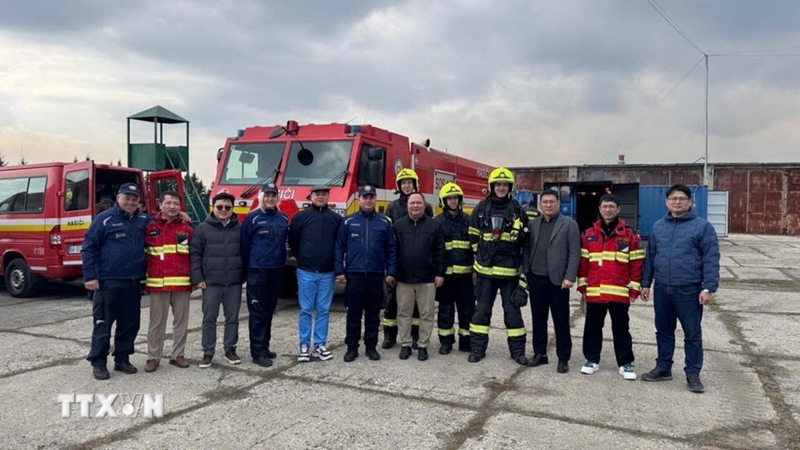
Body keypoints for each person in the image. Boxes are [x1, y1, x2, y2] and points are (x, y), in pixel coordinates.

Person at [641, 184, 720, 393]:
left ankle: (693, 373)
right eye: (673, 199)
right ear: (667, 202)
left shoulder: (702, 227)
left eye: (682, 198)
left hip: (689, 289)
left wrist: (708, 288)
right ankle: (663, 367)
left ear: (690, 202)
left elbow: (711, 258)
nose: (677, 202)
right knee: (663, 331)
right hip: (662, 287)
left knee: (692, 333)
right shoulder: (658, 226)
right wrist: (646, 283)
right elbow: (650, 257)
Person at [83, 182, 153, 380]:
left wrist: (181, 214)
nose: (130, 202)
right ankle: (99, 362)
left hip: (133, 282)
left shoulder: (143, 220)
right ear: (118, 198)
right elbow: (89, 247)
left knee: (129, 324)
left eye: (134, 199)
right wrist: (90, 276)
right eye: (126, 198)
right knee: (103, 324)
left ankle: (122, 358)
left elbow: (164, 220)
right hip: (108, 282)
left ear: (139, 202)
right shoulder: (104, 219)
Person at [576, 194, 644, 380]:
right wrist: (582, 285)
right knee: (592, 326)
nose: (608, 210)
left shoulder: (629, 234)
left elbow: (637, 263)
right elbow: (583, 263)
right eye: (604, 206)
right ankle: (591, 360)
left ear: (618, 209)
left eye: (611, 206)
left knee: (621, 327)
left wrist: (635, 288)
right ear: (599, 209)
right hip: (595, 290)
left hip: (619, 290)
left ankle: (625, 363)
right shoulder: (588, 234)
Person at [467, 168, 528, 365]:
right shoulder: (481, 208)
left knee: (513, 314)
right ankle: (477, 349)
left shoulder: (518, 210)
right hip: (485, 273)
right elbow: (472, 236)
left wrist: (522, 277)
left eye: (504, 185)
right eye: (498, 185)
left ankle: (518, 352)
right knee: (481, 313)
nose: (501, 188)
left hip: (509, 274)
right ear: (491, 187)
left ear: (510, 187)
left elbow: (526, 243)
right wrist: (478, 258)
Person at [335, 185, 397, 362]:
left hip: (376, 276)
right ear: (359, 199)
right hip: (354, 276)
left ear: (375, 199)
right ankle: (352, 348)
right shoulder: (348, 222)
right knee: (353, 314)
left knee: (373, 315)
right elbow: (339, 247)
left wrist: (391, 271)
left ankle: (371, 347)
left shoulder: (384, 222)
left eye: (371, 197)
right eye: (365, 197)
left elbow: (391, 249)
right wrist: (339, 270)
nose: (368, 200)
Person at [523, 189, 581, 373]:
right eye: (545, 202)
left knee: (560, 321)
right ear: (540, 205)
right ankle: (540, 354)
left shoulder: (569, 225)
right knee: (538, 319)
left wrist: (570, 276)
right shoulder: (533, 224)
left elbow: (574, 253)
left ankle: (563, 358)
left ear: (558, 204)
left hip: (558, 282)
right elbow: (527, 249)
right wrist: (526, 271)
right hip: (536, 278)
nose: (548, 205)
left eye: (552, 202)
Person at [191, 192, 245, 369]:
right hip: (211, 283)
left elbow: (247, 253)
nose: (223, 210)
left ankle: (230, 349)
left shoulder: (241, 228)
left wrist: (243, 276)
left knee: (233, 318)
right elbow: (195, 255)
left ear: (232, 208)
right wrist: (198, 278)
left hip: (234, 282)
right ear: (213, 207)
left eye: (227, 207)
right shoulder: (202, 229)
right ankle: (208, 352)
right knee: (209, 319)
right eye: (219, 207)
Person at [288, 185, 342, 362]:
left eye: (324, 194)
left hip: (327, 272)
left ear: (328, 197)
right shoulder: (300, 218)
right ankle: (304, 345)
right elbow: (294, 241)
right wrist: (303, 258)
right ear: (311, 196)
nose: (320, 197)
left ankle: (319, 345)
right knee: (306, 310)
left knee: (324, 310)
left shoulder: (335, 219)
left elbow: (339, 245)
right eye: (317, 194)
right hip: (306, 271)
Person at [382, 168, 433, 350]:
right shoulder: (392, 207)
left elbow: (429, 234)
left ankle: (415, 337)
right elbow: (388, 238)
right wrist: (390, 267)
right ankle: (390, 336)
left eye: (409, 183)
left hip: (418, 266)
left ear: (415, 184)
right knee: (392, 302)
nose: (406, 186)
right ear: (399, 186)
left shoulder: (426, 207)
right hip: (398, 263)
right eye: (403, 183)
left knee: (418, 307)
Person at [143, 191, 194, 372]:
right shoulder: (149, 226)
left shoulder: (187, 228)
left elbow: (193, 255)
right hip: (158, 284)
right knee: (156, 323)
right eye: (168, 203)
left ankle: (178, 355)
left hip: (182, 283)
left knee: (181, 322)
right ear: (160, 205)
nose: (172, 207)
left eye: (176, 204)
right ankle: (153, 357)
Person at [240, 183, 289, 368]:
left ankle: (265, 347)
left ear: (277, 198)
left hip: (277, 270)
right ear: (261, 197)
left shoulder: (283, 217)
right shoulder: (252, 218)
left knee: (269, 311)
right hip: (258, 271)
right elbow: (245, 246)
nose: (270, 199)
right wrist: (250, 268)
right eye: (267, 195)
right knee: (258, 313)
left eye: (273, 195)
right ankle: (257, 352)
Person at [393, 192, 446, 361]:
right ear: (407, 205)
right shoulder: (398, 225)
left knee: (427, 314)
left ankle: (423, 345)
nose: (415, 206)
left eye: (418, 203)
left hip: (427, 278)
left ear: (424, 205)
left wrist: (440, 273)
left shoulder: (434, 225)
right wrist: (391, 273)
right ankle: (406, 344)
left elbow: (440, 251)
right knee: (404, 313)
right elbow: (393, 251)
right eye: (412, 203)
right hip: (403, 278)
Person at [433, 182, 475, 354]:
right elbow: (435, 250)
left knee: (467, 311)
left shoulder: (468, 220)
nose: (453, 201)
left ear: (460, 200)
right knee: (445, 311)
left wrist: (475, 270)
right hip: (446, 277)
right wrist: (437, 273)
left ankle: (466, 341)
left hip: (466, 277)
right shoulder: (437, 222)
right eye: (449, 198)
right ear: (444, 201)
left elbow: (475, 247)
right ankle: (446, 342)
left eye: (455, 198)